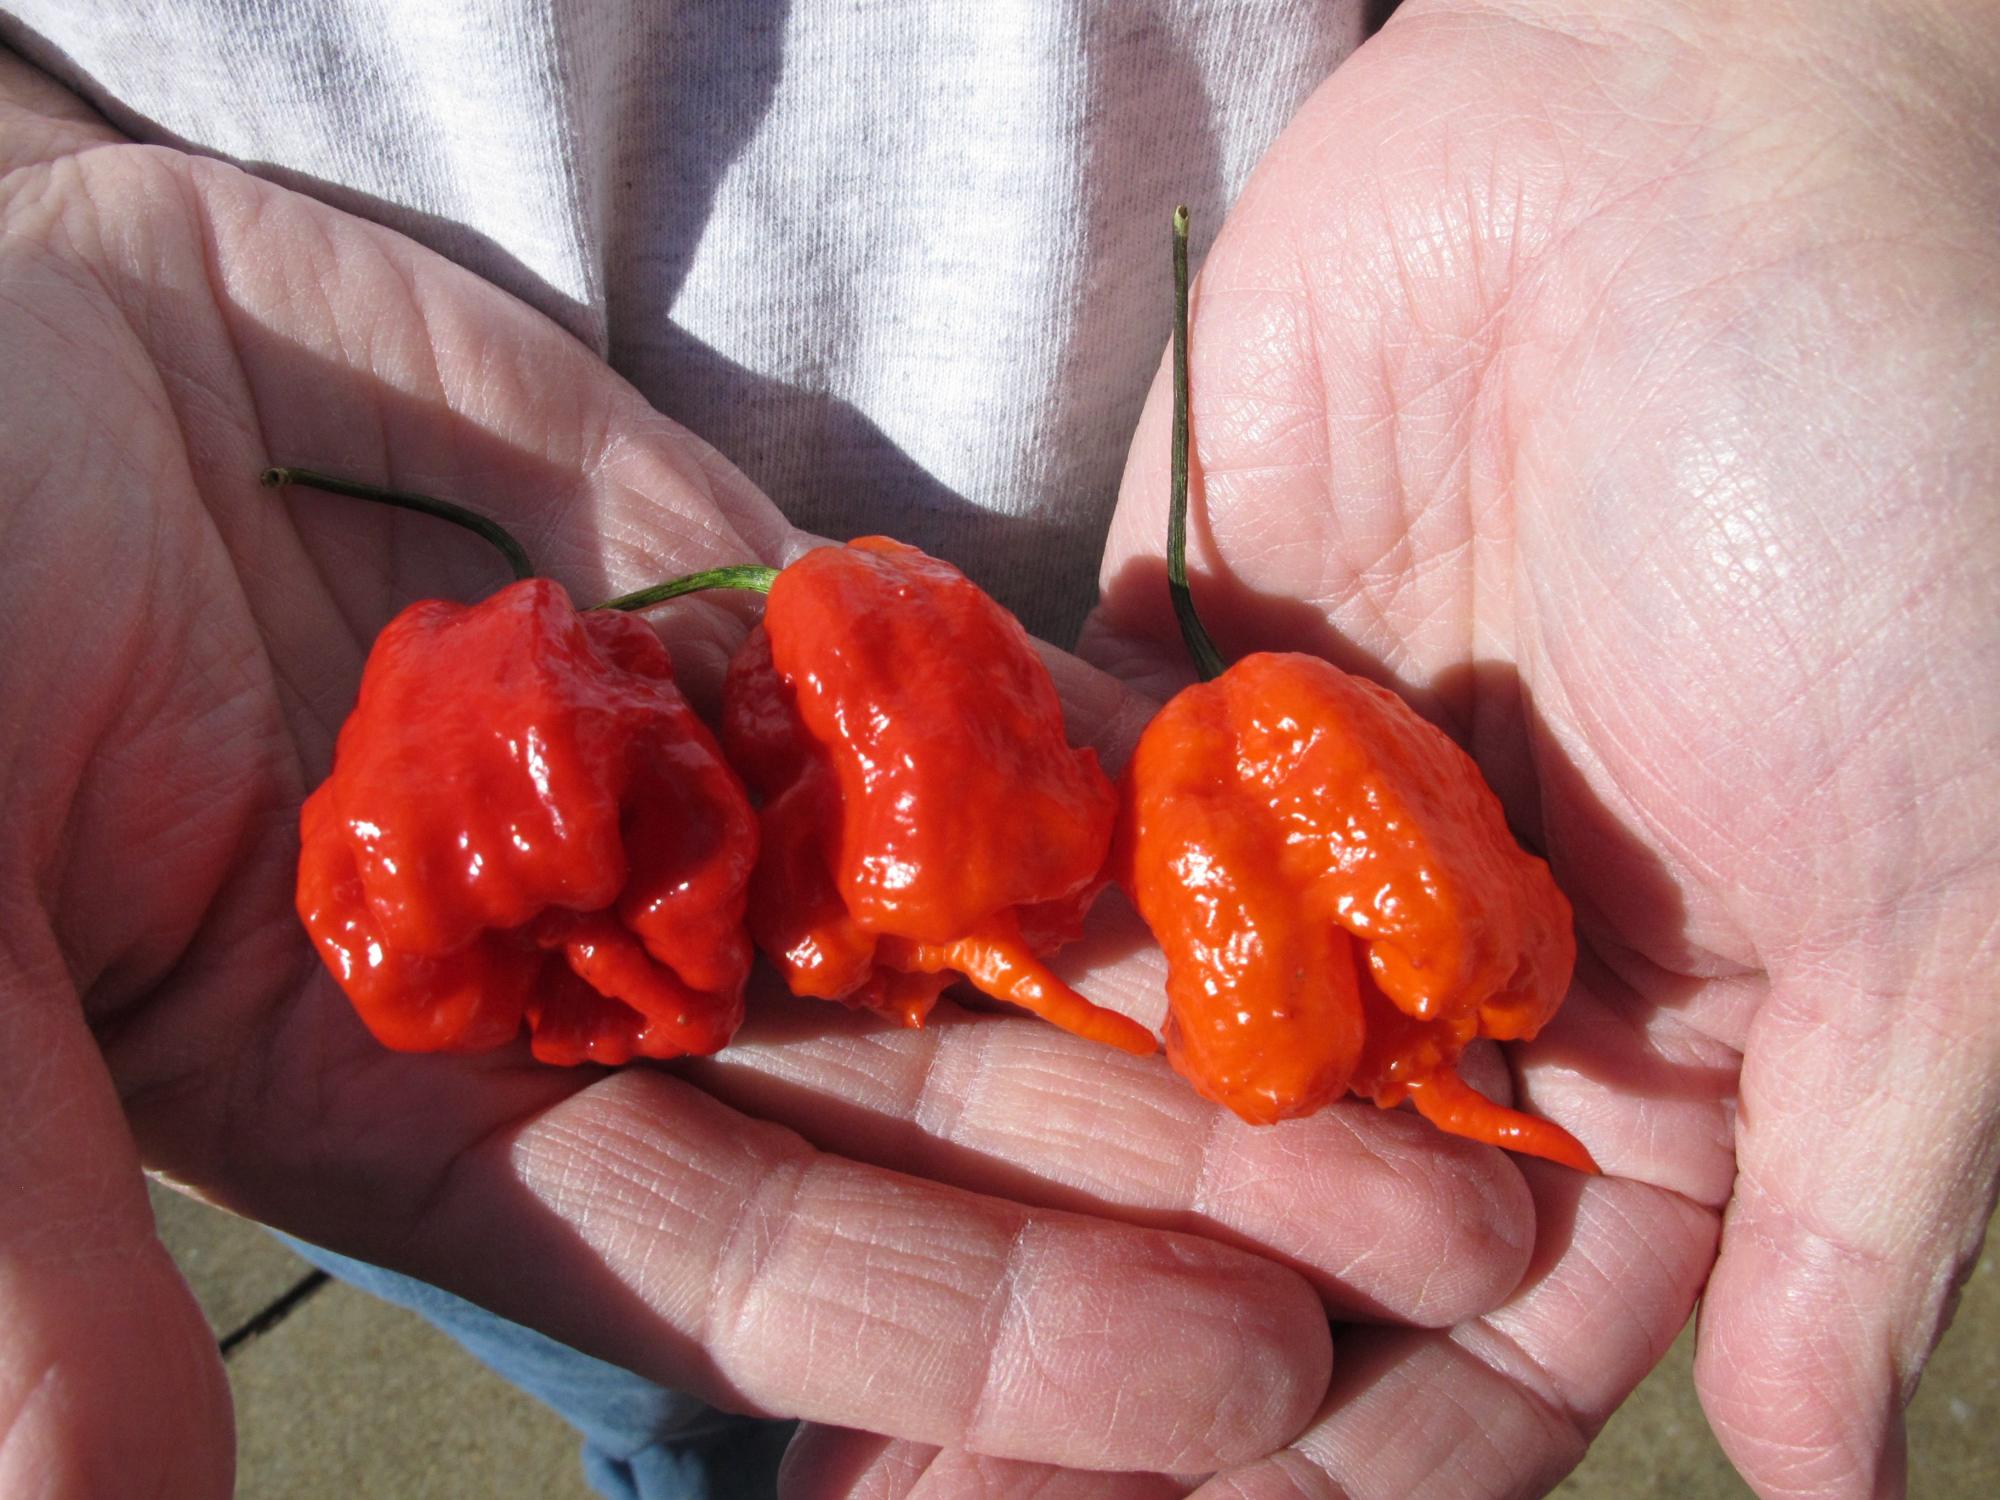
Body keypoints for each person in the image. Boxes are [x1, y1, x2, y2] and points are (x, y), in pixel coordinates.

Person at [0, 2, 1993, 1497]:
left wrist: (1858, 49)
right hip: (270, 540)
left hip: (1365, 503)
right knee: (641, 1339)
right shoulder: (561, 685)